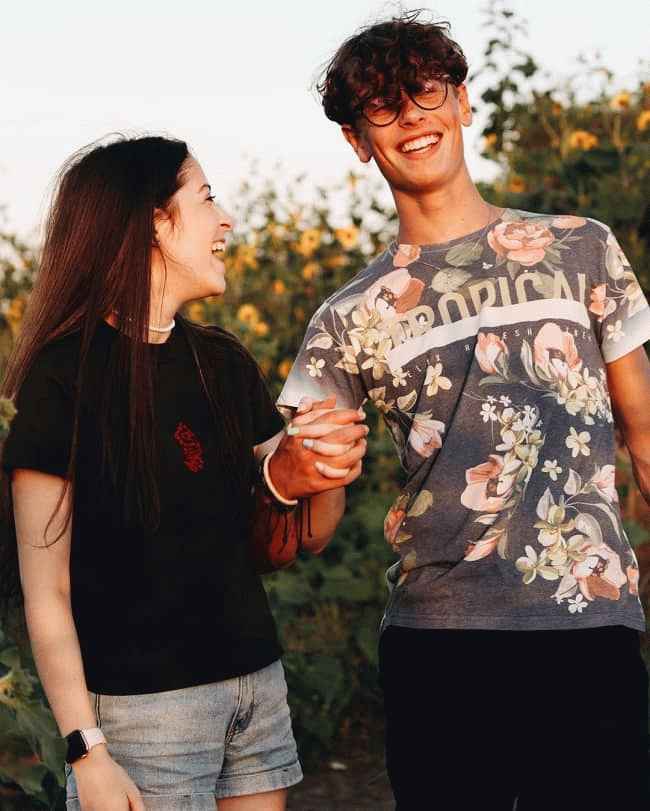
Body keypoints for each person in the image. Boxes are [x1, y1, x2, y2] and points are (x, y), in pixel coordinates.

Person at [277, 11, 650, 810]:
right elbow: (311, 527)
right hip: (440, 640)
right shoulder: (345, 317)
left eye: (425, 89)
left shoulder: (582, 247)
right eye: (382, 105)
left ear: (462, 100)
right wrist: (291, 474)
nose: (411, 115)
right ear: (357, 140)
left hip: (588, 624)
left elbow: (645, 436)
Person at [0, 134, 368, 811]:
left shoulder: (222, 361)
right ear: (153, 224)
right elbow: (46, 591)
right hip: (144, 717)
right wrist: (87, 750)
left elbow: (306, 533)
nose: (226, 220)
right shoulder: (62, 379)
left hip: (255, 689)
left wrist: (326, 461)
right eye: (206, 199)